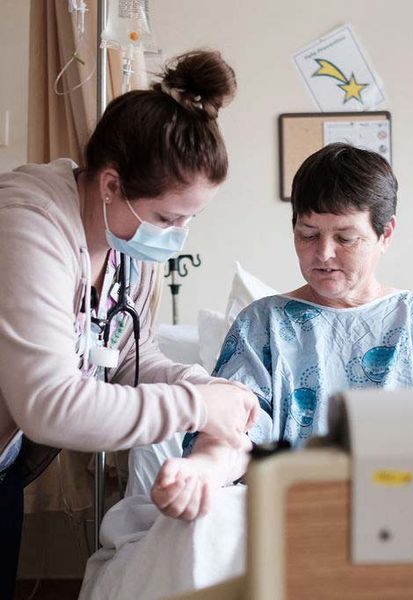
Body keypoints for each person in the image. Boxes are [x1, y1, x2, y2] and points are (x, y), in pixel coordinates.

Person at [0, 50, 258, 598]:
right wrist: (195, 408)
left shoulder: (128, 253)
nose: (178, 235)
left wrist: (197, 382)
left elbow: (129, 361)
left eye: (191, 218)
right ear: (112, 184)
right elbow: (48, 404)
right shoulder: (27, 227)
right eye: (168, 217)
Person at [151, 142, 413, 520]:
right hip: (295, 513)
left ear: (385, 233)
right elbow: (235, 433)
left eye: (345, 238)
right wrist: (204, 470)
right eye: (308, 234)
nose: (323, 254)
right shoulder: (263, 325)